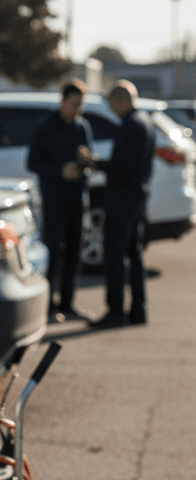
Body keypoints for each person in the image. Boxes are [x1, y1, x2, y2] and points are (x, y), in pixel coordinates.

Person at [27, 79, 94, 322]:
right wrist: (59, 171)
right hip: (54, 198)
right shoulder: (45, 126)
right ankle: (47, 307)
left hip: (77, 197)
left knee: (74, 253)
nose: (78, 109)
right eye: (75, 103)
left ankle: (68, 304)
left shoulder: (81, 127)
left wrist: (85, 163)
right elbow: (32, 162)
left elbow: (88, 158)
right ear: (64, 101)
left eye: (81, 104)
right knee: (52, 253)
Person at [91, 81, 156, 328]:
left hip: (122, 200)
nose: (110, 108)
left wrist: (96, 163)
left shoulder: (130, 126)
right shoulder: (145, 122)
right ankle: (139, 310)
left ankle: (115, 311)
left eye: (110, 102)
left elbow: (121, 166)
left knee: (115, 255)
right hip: (138, 198)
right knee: (135, 255)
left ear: (120, 100)